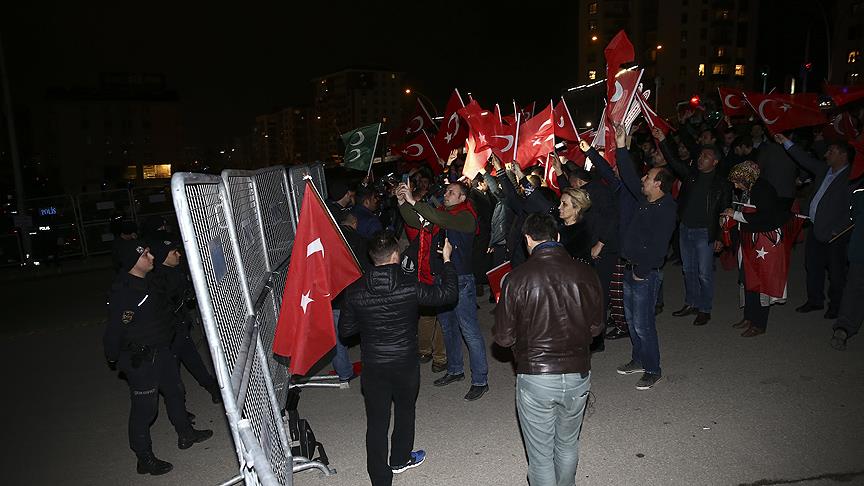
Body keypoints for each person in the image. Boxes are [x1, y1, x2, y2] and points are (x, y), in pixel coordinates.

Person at [339, 231, 458, 486]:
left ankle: (381, 480)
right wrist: (447, 261)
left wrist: (370, 320)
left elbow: (346, 332)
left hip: (374, 365)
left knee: (377, 421)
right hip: (404, 362)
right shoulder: (409, 285)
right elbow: (447, 295)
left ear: (373, 258)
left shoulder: (354, 290)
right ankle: (400, 458)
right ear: (395, 255)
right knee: (405, 410)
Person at [493, 213, 603, 486]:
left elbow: (504, 339)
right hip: (578, 374)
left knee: (541, 457)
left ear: (528, 240)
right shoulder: (586, 272)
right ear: (557, 237)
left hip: (537, 376)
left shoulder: (516, 279)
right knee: (567, 445)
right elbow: (596, 328)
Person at [103, 243, 212, 475]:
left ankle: (185, 434)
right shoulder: (125, 293)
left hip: (163, 351)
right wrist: (116, 358)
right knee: (145, 410)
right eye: (145, 255)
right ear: (133, 262)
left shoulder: (151, 281)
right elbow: (114, 331)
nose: (151, 257)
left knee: (175, 392)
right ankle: (144, 457)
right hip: (141, 360)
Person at [398, 181, 490, 401]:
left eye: (452, 192)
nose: (446, 194)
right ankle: (455, 369)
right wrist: (402, 202)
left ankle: (480, 380)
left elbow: (440, 219)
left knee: (469, 331)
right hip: (441, 277)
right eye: (447, 191)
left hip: (461, 279)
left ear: (462, 198)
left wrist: (414, 201)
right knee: (447, 327)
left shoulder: (466, 216)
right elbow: (417, 220)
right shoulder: (441, 214)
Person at [601, 124, 677, 390]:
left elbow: (658, 247)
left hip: (643, 274)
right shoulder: (647, 201)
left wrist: (642, 271)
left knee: (644, 324)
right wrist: (621, 146)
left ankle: (653, 368)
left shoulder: (666, 208)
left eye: (648, 178)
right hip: (631, 269)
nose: (643, 180)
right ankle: (638, 358)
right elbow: (630, 178)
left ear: (659, 184)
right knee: (633, 321)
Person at [654, 127, 732, 326]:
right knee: (688, 270)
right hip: (685, 229)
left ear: (715, 162)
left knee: (704, 273)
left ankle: (704, 308)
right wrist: (663, 139)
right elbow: (673, 161)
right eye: (700, 155)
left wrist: (721, 238)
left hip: (705, 233)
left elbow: (725, 213)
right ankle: (691, 303)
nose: (700, 159)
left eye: (706, 156)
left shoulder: (722, 184)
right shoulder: (691, 175)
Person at [776, 133, 853, 319]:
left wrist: (841, 228)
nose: (827, 155)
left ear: (843, 156)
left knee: (836, 273)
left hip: (836, 234)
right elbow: (804, 159)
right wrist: (786, 142)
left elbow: (855, 209)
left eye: (831, 152)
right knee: (812, 265)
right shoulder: (824, 170)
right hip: (815, 227)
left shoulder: (852, 178)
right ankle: (815, 300)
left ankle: (836, 306)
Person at [147, 231, 221, 404]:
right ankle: (178, 409)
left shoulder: (176, 270)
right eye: (174, 252)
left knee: (194, 360)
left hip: (180, 327)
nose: (178, 254)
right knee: (172, 374)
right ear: (163, 256)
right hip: (168, 333)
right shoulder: (156, 279)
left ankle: (212, 388)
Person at [722, 161, 793, 337]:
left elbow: (765, 218)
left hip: (764, 242)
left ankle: (759, 323)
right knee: (747, 278)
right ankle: (749, 316)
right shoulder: (749, 189)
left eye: (738, 181)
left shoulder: (763, 190)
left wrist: (736, 215)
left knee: (761, 281)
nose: (735, 185)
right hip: (750, 240)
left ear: (747, 178)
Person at [330, 212, 368, 381]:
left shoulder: (328, 240)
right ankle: (371, 366)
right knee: (367, 333)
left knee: (337, 338)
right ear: (355, 223)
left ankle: (344, 373)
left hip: (335, 297)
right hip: (356, 295)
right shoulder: (360, 241)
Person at [831, 187, 864, 350]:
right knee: (854, 289)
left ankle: (844, 327)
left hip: (860, 249)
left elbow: (853, 216)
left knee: (854, 290)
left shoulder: (859, 192)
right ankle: (843, 328)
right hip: (859, 250)